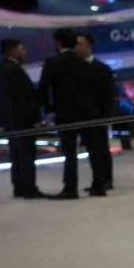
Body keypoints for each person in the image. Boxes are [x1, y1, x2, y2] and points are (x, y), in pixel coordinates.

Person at [38, 27, 102, 199]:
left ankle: (70, 188)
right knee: (93, 150)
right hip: (88, 113)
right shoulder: (84, 62)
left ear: (58, 43)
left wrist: (49, 110)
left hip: (65, 114)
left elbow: (43, 89)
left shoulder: (52, 63)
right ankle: (99, 185)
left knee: (69, 153)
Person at [0, 38, 44, 199]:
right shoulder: (14, 70)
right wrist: (36, 117)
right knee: (26, 154)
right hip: (23, 120)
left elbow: (3, 99)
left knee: (16, 155)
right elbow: (24, 98)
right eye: (22, 48)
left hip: (10, 121)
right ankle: (29, 188)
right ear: (13, 50)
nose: (24, 52)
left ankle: (19, 186)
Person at [77, 33, 117, 192]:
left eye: (80, 44)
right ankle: (97, 179)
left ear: (89, 46)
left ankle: (106, 179)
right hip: (84, 115)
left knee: (101, 148)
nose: (77, 48)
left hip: (99, 115)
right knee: (91, 150)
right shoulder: (76, 68)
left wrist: (106, 115)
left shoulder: (102, 68)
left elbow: (109, 94)